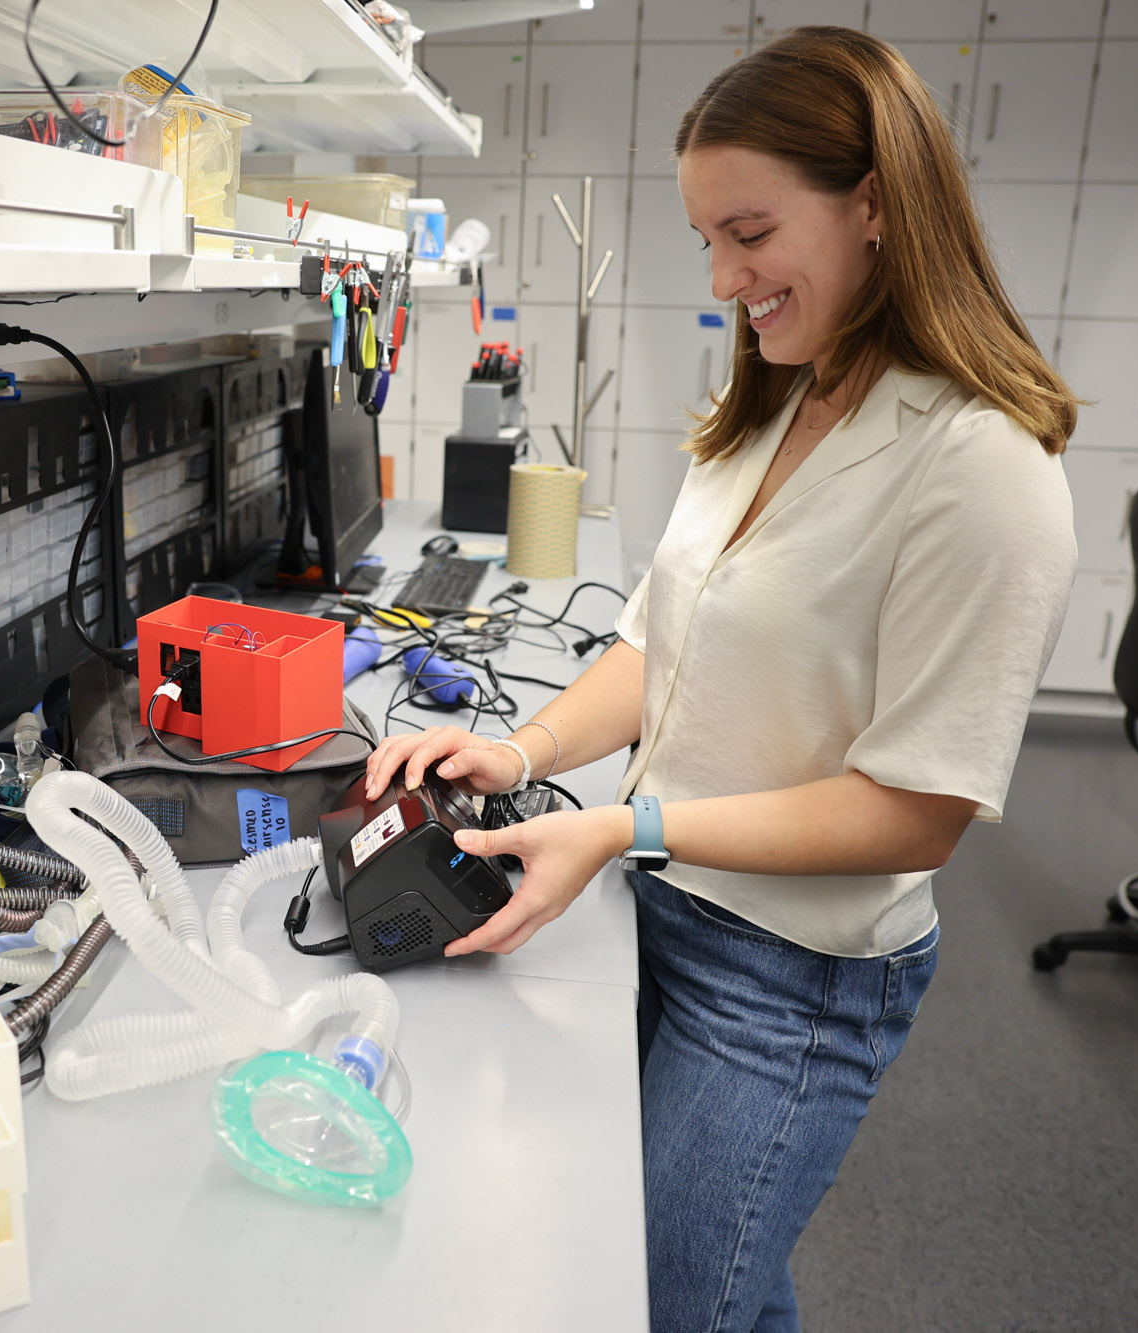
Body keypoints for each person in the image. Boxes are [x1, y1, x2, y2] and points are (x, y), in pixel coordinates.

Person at [362, 26, 1079, 1333]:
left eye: (749, 233)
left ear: (875, 203)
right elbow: (659, 644)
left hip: (790, 977)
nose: (722, 278)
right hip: (666, 900)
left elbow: (916, 811)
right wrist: (520, 753)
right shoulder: (775, 403)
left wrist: (624, 824)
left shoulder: (983, 469)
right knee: (697, 1277)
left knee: (674, 1302)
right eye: (706, 239)